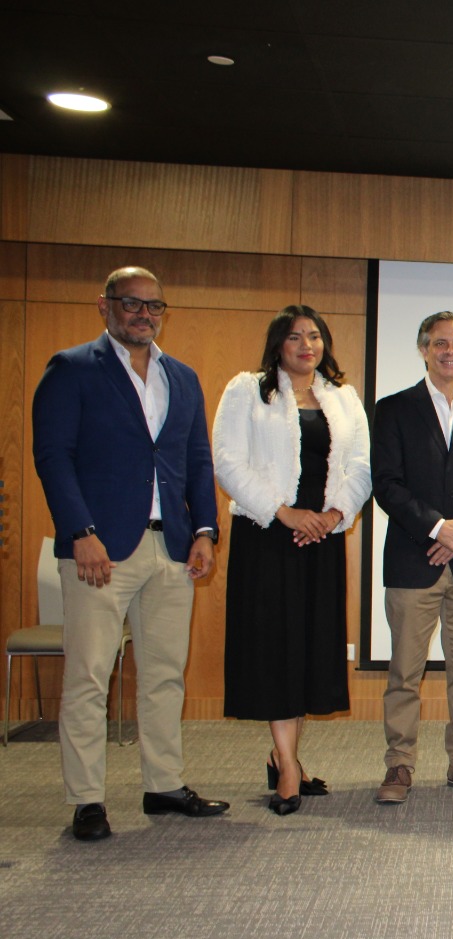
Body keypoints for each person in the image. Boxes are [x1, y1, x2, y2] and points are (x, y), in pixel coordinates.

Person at [32, 266, 228, 841]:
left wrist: (206, 532)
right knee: (90, 677)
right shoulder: (71, 370)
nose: (143, 315)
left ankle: (163, 784)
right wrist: (79, 531)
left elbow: (197, 462)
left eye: (154, 307)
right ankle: (87, 800)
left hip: (171, 547)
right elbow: (52, 457)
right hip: (100, 550)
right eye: (132, 304)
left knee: (165, 674)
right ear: (105, 306)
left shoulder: (182, 377)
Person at [211, 306, 371, 815]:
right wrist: (284, 513)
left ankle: (287, 756)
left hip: (320, 539)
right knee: (275, 652)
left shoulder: (343, 399)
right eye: (295, 337)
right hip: (268, 536)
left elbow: (363, 465)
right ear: (277, 343)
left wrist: (331, 515)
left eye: (315, 336)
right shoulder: (248, 390)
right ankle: (287, 770)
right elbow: (227, 462)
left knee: (306, 651)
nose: (307, 345)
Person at [371, 311, 453, 804]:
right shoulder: (394, 409)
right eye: (441, 342)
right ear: (424, 348)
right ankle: (399, 765)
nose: (451, 350)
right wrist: (436, 527)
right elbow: (386, 483)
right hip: (413, 559)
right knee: (404, 671)